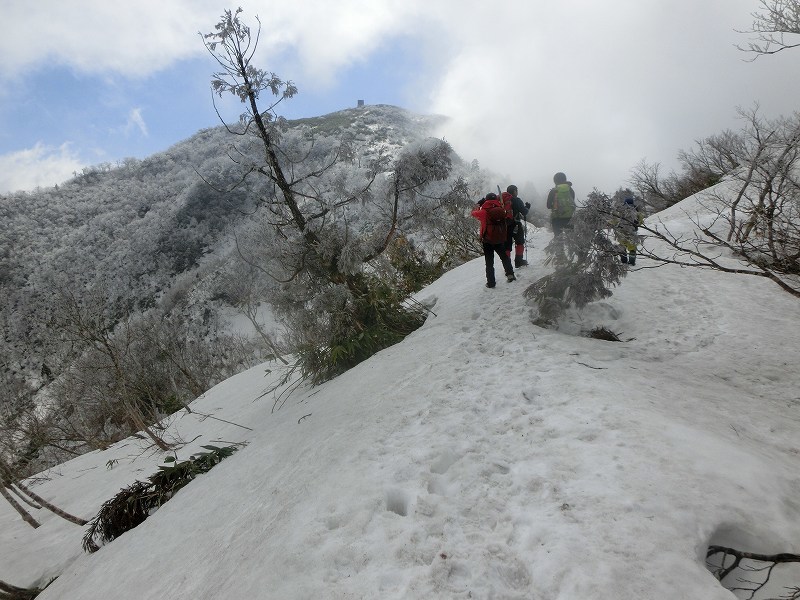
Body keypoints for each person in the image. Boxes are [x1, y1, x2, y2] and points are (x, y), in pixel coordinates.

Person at [472, 193, 516, 288]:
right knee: (504, 257)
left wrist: (478, 205)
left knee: (489, 262)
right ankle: (510, 274)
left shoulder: (484, 212)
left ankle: (491, 283)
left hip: (487, 240)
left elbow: (473, 213)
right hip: (499, 239)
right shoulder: (501, 209)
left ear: (486, 200)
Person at [504, 185, 531, 267]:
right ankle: (519, 261)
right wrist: (527, 207)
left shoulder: (503, 201)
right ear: (514, 191)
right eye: (516, 190)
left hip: (505, 226)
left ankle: (507, 264)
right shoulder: (517, 200)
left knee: (507, 245)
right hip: (516, 224)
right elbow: (524, 212)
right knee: (520, 242)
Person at [545, 172, 576, 238]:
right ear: (565, 179)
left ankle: (559, 248)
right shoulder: (570, 190)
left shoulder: (553, 191)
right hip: (569, 218)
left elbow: (548, 206)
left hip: (557, 218)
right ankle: (572, 248)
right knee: (571, 239)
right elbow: (572, 201)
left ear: (555, 181)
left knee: (558, 240)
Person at [615, 195, 644, 265]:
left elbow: (615, 220)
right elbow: (641, 221)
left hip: (621, 232)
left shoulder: (620, 211)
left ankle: (624, 261)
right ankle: (631, 262)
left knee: (622, 246)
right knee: (632, 248)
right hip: (633, 232)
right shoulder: (637, 212)